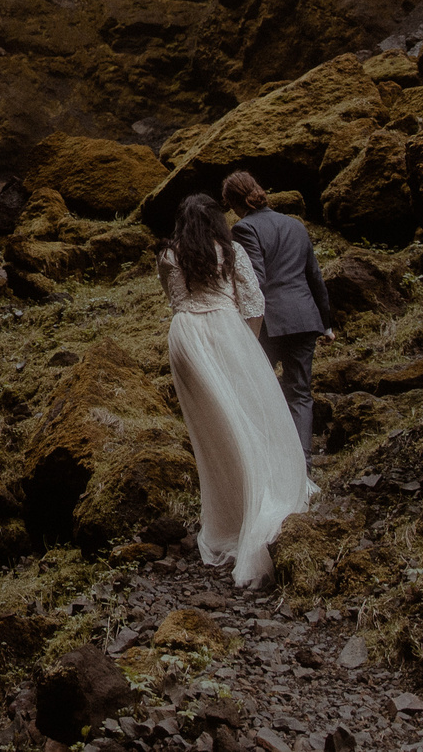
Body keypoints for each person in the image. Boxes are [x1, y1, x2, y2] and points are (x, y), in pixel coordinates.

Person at [157, 190, 318, 587]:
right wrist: (250, 347)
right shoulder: (231, 252)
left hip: (186, 336)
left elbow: (174, 298)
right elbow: (253, 303)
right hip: (228, 331)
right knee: (244, 415)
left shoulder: (168, 255)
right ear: (216, 221)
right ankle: (256, 498)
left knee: (213, 429)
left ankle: (229, 513)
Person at [225, 170, 335, 460]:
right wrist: (326, 324)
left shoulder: (244, 229)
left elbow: (254, 279)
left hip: (271, 323)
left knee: (253, 385)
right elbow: (315, 276)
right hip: (305, 318)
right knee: (300, 391)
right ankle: (303, 460)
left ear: (234, 203)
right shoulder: (295, 225)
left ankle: (262, 454)